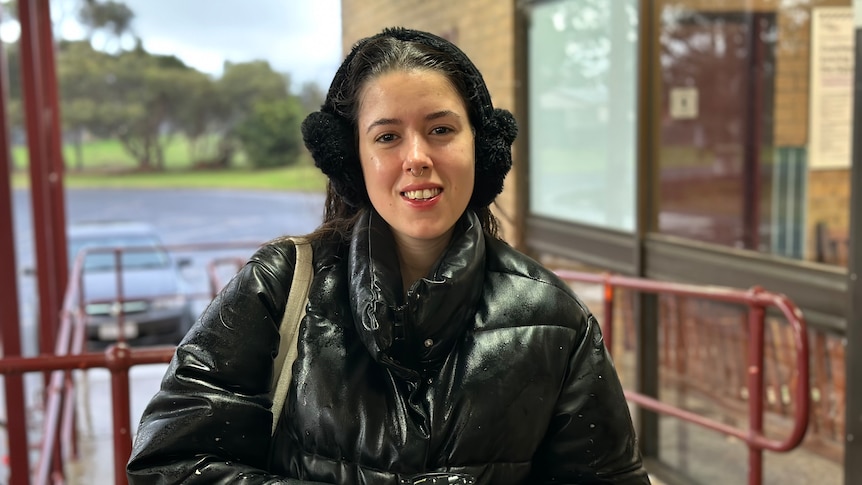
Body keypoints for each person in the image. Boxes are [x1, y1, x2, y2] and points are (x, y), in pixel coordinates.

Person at [127, 27, 650, 485]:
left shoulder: (556, 320)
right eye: (387, 136)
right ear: (352, 159)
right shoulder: (279, 287)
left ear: (482, 147)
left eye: (441, 130)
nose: (417, 157)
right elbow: (170, 461)